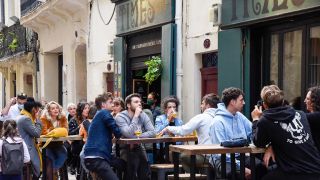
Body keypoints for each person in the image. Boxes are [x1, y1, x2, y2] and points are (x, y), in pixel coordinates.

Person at [251, 85, 320, 180]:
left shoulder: (266, 121)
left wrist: (255, 120)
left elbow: (258, 142)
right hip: (316, 170)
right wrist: (271, 145)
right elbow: (283, 133)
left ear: (264, 105)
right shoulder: (300, 114)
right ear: (283, 102)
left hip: (293, 172)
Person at [159, 93, 220, 173]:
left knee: (180, 156)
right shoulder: (221, 117)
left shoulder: (201, 117)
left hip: (207, 156)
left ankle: (194, 176)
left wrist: (168, 128)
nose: (201, 106)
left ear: (208, 106)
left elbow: (183, 130)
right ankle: (199, 174)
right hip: (221, 156)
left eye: (202, 104)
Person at [209, 87, 252, 178]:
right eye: (241, 100)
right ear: (232, 102)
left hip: (240, 155)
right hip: (223, 159)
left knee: (261, 167)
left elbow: (252, 132)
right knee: (235, 174)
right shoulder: (218, 122)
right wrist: (240, 166)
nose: (244, 103)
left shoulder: (239, 116)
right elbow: (219, 152)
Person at [115, 93, 156, 180]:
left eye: (140, 102)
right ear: (128, 105)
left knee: (145, 171)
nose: (139, 104)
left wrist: (138, 136)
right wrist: (136, 116)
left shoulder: (143, 114)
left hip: (138, 146)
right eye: (136, 102)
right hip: (123, 148)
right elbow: (128, 134)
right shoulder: (120, 117)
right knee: (131, 167)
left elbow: (153, 132)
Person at [83, 92, 122, 179]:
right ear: (103, 104)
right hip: (97, 157)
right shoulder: (104, 113)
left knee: (124, 164)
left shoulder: (99, 115)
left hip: (96, 156)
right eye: (110, 102)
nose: (113, 104)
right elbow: (118, 133)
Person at [40, 101, 68, 179]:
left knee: (64, 154)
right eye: (53, 108)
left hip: (58, 144)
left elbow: (65, 130)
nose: (56, 110)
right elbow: (44, 132)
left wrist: (53, 131)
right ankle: (52, 174)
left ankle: (54, 171)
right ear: (49, 111)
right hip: (47, 144)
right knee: (50, 160)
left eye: (57, 108)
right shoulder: (43, 118)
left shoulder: (62, 118)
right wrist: (57, 131)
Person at [17, 98, 43, 179]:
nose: (38, 111)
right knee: (36, 171)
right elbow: (37, 133)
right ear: (33, 109)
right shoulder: (26, 119)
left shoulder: (22, 116)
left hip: (26, 147)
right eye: (38, 109)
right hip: (29, 148)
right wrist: (38, 119)